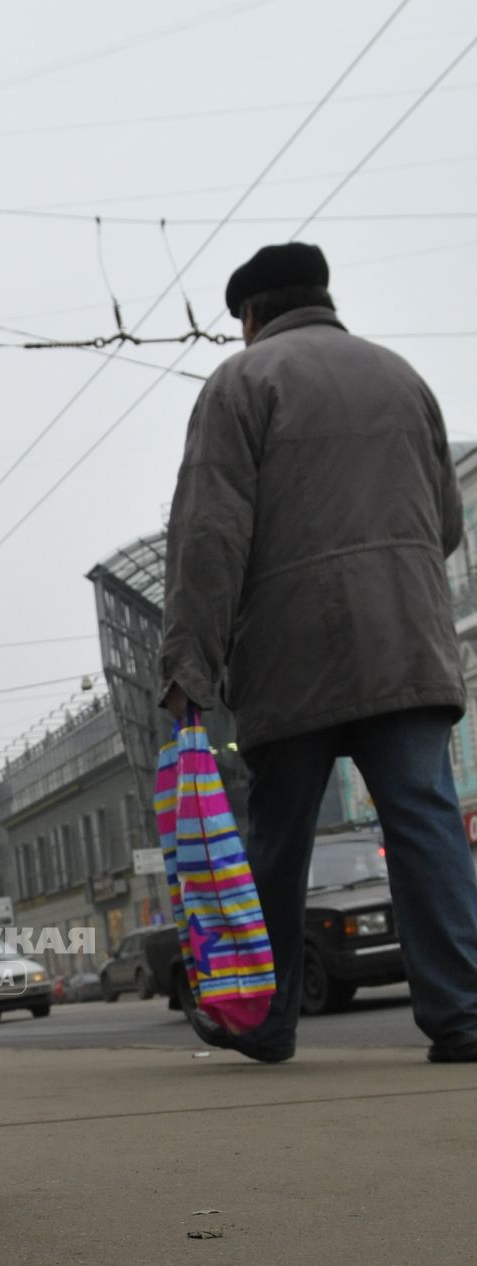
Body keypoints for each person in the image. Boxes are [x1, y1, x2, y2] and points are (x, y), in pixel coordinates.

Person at [160, 240, 477, 1064]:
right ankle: (463, 1014)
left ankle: (263, 1022)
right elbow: (444, 525)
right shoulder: (400, 376)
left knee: (277, 840)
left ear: (252, 315)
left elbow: (208, 536)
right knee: (425, 825)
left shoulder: (241, 383)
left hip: (291, 655)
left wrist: (186, 667)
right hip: (406, 645)